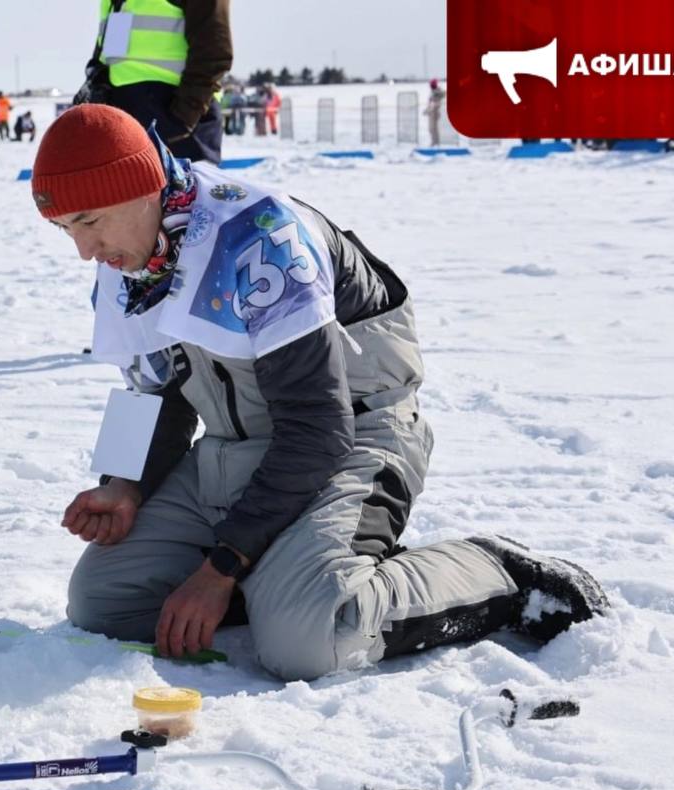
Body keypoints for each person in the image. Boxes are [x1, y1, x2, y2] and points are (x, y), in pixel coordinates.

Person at [30, 105, 609, 681]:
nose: (84, 250)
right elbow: (157, 392)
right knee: (105, 604)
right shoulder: (130, 263)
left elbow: (318, 427)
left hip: (355, 437)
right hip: (239, 450)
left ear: (142, 188)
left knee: (312, 638)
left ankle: (500, 573)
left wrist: (221, 568)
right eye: (66, 230)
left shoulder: (260, 238)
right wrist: (125, 485)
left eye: (89, 220)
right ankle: (290, 578)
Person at [73, 0, 231, 164]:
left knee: (184, 188)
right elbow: (110, 51)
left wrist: (183, 117)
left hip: (176, 114)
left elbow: (214, 52)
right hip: (126, 114)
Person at [425, 78, 445, 147]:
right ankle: (435, 142)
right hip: (432, 113)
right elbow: (431, 103)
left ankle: (435, 142)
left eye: (432, 85)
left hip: (435, 113)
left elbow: (435, 103)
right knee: (432, 129)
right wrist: (427, 110)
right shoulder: (433, 92)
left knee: (433, 129)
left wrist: (429, 110)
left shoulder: (437, 92)